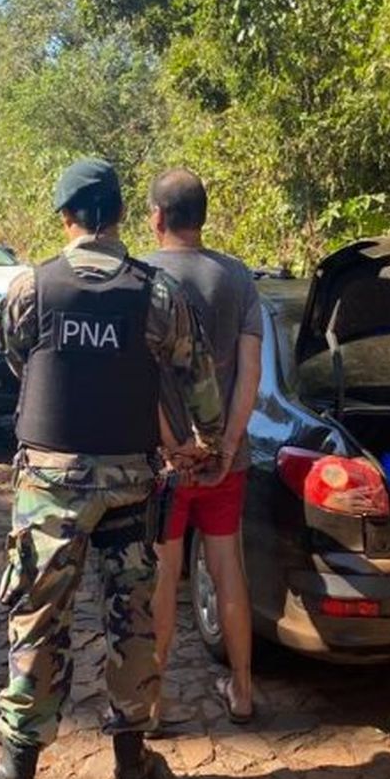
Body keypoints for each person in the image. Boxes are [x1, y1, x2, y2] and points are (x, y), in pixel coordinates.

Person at [0, 158, 225, 779]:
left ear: (66, 217)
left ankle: (16, 777)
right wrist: (210, 444)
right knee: (129, 620)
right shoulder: (156, 293)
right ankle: (133, 768)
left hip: (50, 485)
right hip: (132, 481)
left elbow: (22, 360)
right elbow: (197, 376)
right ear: (122, 216)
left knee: (38, 619)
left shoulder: (31, 287)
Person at [143, 168, 263, 726]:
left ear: (157, 218)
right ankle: (241, 690)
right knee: (227, 569)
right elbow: (250, 373)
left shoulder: (140, 279)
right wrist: (225, 448)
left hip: (164, 464)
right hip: (224, 462)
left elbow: (139, 379)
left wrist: (171, 447)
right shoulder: (238, 279)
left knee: (163, 575)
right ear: (204, 217)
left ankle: (153, 700)